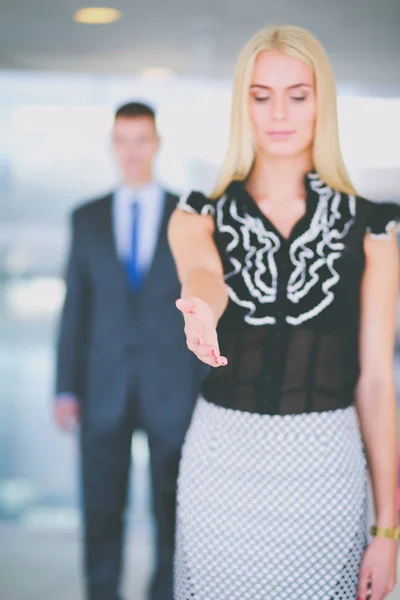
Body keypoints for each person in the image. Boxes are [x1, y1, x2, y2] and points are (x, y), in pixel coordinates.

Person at [168, 25, 400, 600]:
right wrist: (199, 306)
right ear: (241, 105)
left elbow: (376, 382)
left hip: (327, 468)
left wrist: (388, 529)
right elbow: (204, 275)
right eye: (260, 94)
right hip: (220, 465)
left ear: (322, 103)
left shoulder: (374, 228)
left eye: (297, 94)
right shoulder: (198, 214)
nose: (279, 113)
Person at [54, 102, 204, 600]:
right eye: (123, 140)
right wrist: (65, 389)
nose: (132, 151)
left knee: (172, 513)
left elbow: (203, 303)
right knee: (100, 509)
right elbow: (75, 308)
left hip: (172, 388)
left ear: (157, 143)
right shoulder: (87, 218)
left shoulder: (188, 214)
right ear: (112, 145)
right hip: (102, 389)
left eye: (142, 139)